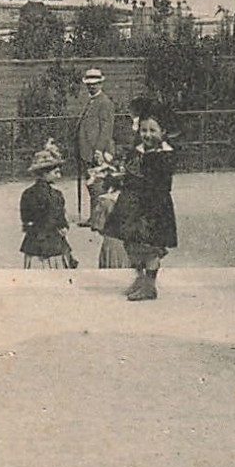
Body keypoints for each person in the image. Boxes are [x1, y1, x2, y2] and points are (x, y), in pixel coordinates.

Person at [102, 103, 178, 300]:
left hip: (152, 207)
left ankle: (150, 285)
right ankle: (140, 277)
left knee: (150, 247)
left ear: (163, 132)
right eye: (144, 130)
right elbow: (131, 172)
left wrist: (130, 179)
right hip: (133, 205)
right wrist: (117, 176)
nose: (147, 134)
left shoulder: (164, 155)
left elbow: (156, 184)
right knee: (131, 244)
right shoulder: (138, 151)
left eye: (153, 130)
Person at [19, 141, 76, 269]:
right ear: (45, 173)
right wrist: (63, 226)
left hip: (33, 241)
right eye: (56, 172)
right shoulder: (55, 195)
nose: (59, 176)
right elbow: (58, 219)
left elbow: (26, 219)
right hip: (52, 242)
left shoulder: (27, 193)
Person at [73, 67, 116, 214]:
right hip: (87, 150)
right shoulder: (90, 102)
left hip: (97, 151)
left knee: (97, 184)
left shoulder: (105, 103)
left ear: (101, 84)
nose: (91, 86)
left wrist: (99, 150)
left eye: (95, 83)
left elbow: (106, 129)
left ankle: (98, 217)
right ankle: (94, 215)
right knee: (92, 184)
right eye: (89, 84)